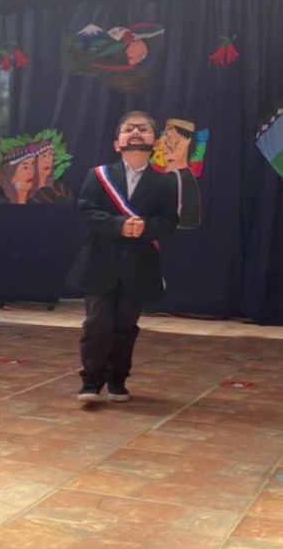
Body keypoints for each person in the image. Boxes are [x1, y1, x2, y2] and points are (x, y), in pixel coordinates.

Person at [66, 110, 178, 403]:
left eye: (143, 128)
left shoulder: (166, 182)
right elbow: (86, 209)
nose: (136, 132)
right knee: (97, 325)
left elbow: (169, 221)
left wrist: (146, 227)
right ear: (117, 143)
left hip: (138, 267)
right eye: (129, 129)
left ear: (155, 141)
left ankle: (117, 380)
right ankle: (91, 382)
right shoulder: (99, 175)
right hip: (100, 263)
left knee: (125, 326)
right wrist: (118, 225)